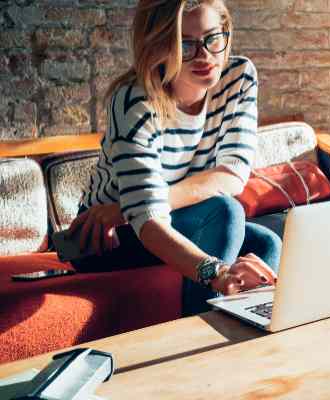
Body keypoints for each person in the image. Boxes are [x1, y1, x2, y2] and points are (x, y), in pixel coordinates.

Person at [67, 0, 280, 316]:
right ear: (159, 46)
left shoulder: (238, 77)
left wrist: (127, 208)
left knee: (266, 245)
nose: (204, 55)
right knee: (225, 211)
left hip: (138, 214)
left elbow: (232, 174)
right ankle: (200, 337)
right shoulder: (135, 101)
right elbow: (149, 221)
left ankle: (254, 330)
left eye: (212, 38)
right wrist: (217, 272)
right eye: (185, 44)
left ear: (225, 31)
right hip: (104, 237)